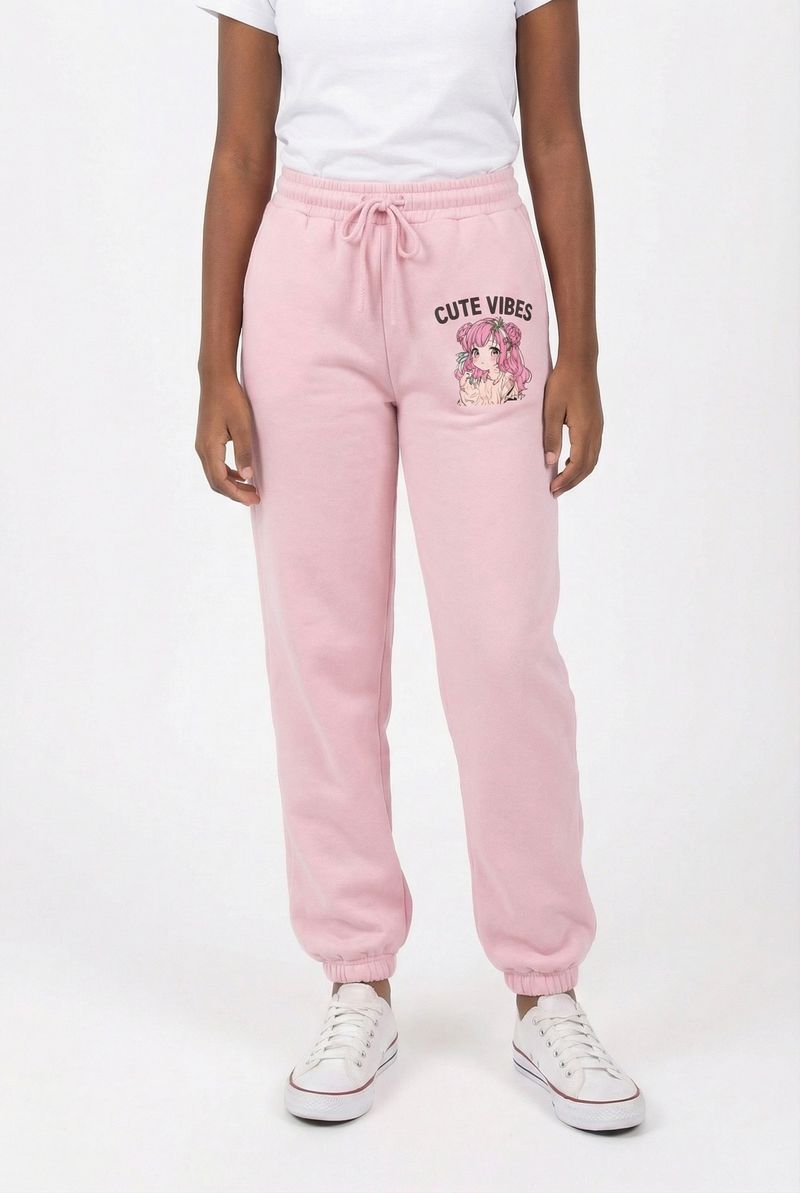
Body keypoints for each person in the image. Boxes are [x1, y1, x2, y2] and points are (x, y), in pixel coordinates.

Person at [193, 0, 645, 1131]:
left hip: (475, 279)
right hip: (307, 285)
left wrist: (580, 351)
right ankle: (356, 976)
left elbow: (554, 135)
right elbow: (241, 149)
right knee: (323, 647)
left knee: (501, 643)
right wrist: (212, 365)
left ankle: (545, 987)